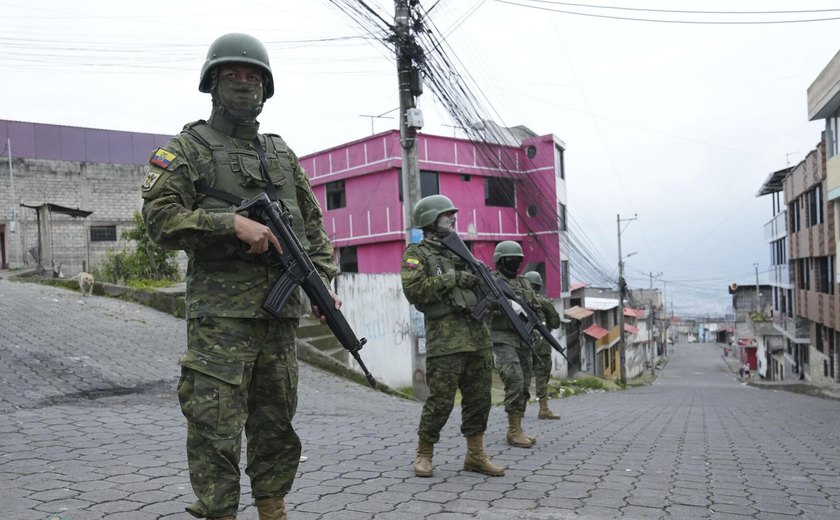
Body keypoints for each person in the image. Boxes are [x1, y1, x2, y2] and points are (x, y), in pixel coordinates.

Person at [141, 33, 338, 520]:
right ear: (213, 83)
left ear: (266, 89)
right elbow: (159, 218)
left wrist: (322, 279)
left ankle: (273, 507)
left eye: (254, 78)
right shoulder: (190, 149)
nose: (244, 85)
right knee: (215, 425)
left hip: (280, 317)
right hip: (221, 319)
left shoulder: (280, 153)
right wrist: (228, 223)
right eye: (234, 76)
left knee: (276, 423)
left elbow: (311, 225)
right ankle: (220, 512)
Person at [400, 194, 504, 478]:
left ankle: (475, 454)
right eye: (447, 215)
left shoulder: (463, 253)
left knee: (479, 398)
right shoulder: (416, 254)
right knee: (441, 401)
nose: (453, 219)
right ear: (431, 220)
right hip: (446, 341)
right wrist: (453, 279)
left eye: (453, 215)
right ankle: (424, 452)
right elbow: (415, 291)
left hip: (477, 337)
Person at [490, 241, 541, 448]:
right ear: (500, 261)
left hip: (523, 339)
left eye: (518, 260)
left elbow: (535, 306)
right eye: (510, 260)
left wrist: (528, 311)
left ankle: (518, 427)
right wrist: (505, 306)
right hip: (501, 338)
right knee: (515, 381)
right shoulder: (491, 282)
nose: (514, 264)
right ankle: (513, 431)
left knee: (525, 385)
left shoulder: (524, 283)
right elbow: (484, 306)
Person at [523, 271, 562, 420]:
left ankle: (520, 409)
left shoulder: (515, 299)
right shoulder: (543, 302)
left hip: (523, 342)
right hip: (540, 344)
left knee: (523, 376)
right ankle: (543, 409)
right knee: (542, 376)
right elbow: (555, 323)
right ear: (539, 286)